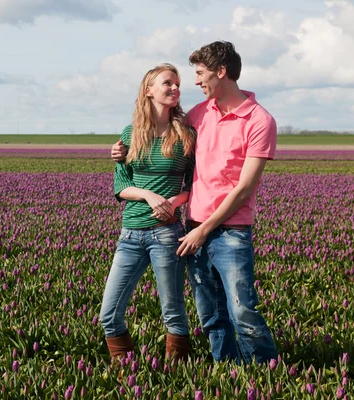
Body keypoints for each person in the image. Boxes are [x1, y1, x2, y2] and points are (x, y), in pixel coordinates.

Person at [111, 41, 278, 365]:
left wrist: (205, 229)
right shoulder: (198, 116)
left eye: (200, 74)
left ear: (221, 71)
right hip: (193, 228)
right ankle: (226, 369)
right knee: (210, 313)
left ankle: (264, 373)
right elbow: (157, 137)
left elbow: (244, 188)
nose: (196, 82)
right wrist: (121, 151)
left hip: (231, 231)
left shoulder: (259, 120)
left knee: (242, 309)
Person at [100, 63, 196, 364]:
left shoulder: (185, 134)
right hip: (130, 233)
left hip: (167, 233)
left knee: (173, 313)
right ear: (148, 90)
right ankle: (127, 374)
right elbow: (121, 185)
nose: (175, 88)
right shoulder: (130, 134)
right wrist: (148, 195)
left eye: (177, 84)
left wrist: (174, 201)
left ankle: (173, 377)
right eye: (167, 83)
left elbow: (194, 185)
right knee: (109, 315)